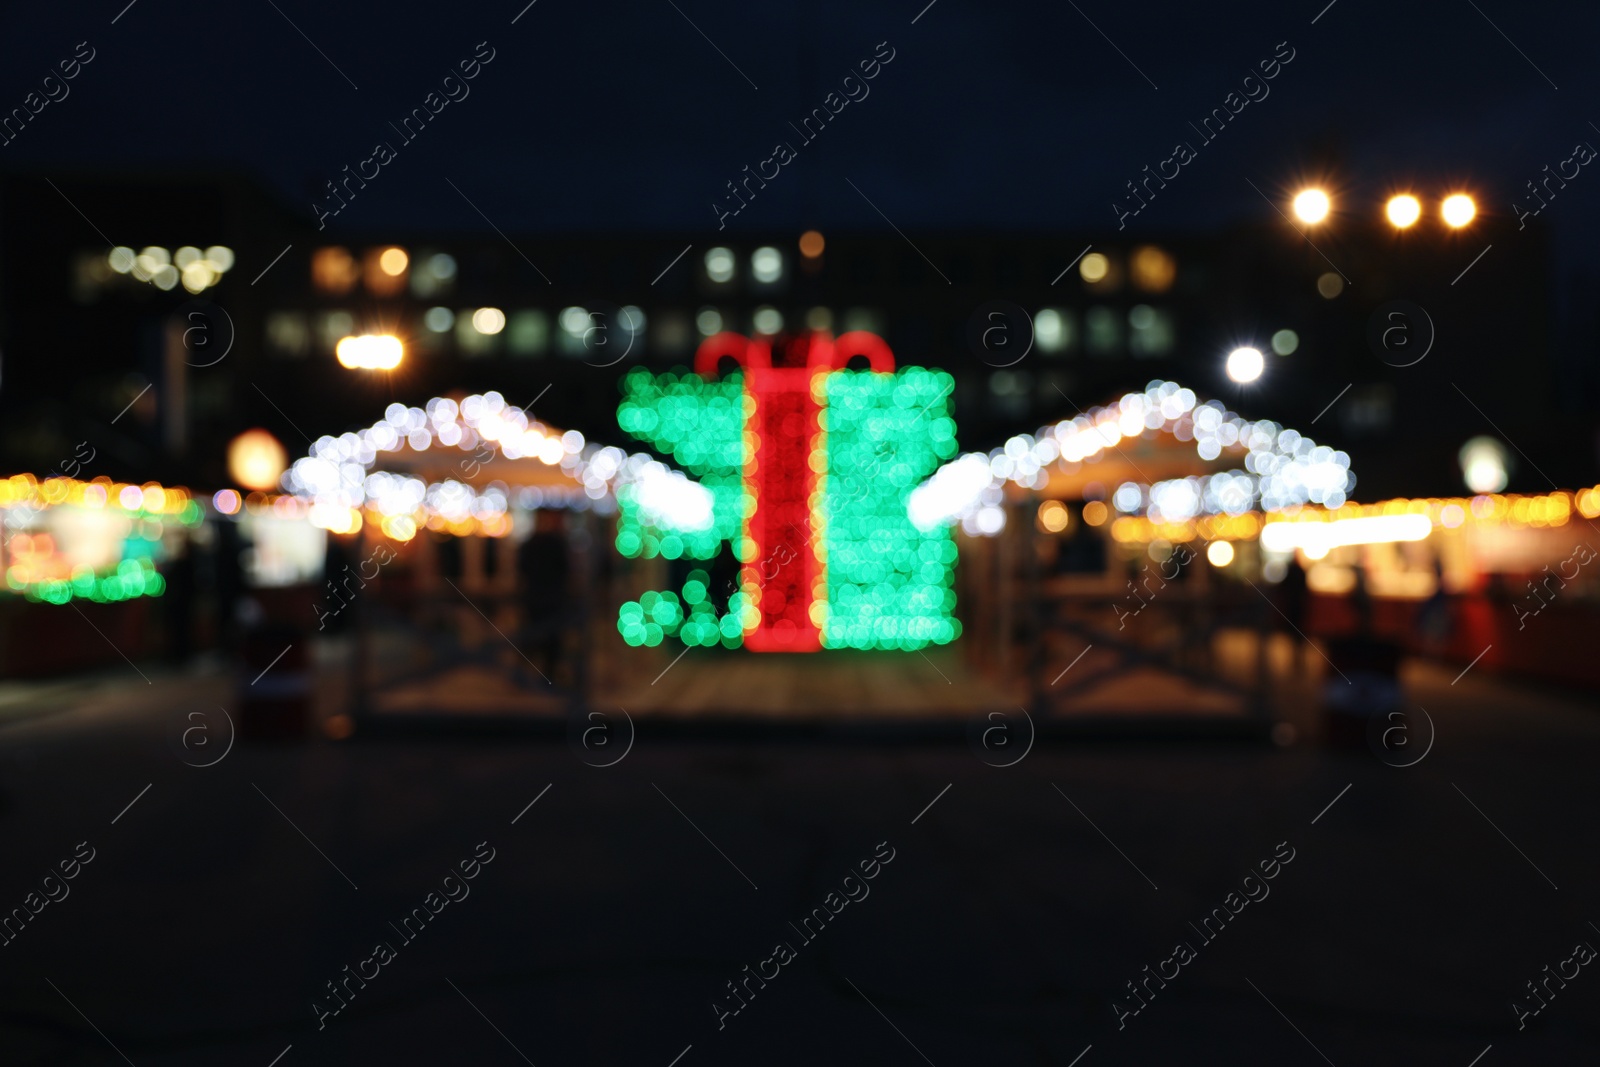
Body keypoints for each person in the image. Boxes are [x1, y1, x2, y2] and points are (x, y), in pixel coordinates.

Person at [517, 509, 571, 684]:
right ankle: (535, 676)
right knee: (539, 637)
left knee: (547, 638)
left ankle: (542, 676)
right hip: (541, 598)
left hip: (546, 598)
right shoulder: (541, 543)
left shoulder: (547, 543)